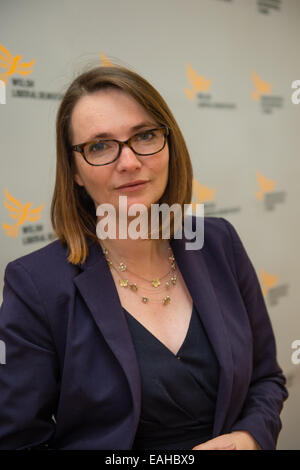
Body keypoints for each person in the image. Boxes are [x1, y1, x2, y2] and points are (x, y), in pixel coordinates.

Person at [0, 65, 288, 450]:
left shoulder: (217, 242)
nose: (130, 161)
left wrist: (251, 437)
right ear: (75, 172)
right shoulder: (36, 284)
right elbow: (19, 441)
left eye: (145, 135)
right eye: (99, 146)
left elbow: (266, 378)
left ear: (169, 143)